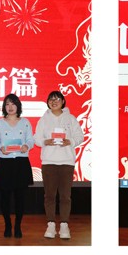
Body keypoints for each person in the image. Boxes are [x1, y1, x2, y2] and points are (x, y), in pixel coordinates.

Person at [35, 90, 83, 240]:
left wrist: (70, 141)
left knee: (65, 196)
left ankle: (64, 225)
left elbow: (80, 136)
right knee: (49, 196)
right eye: (51, 99)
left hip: (66, 162)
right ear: (48, 103)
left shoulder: (71, 118)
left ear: (63, 101)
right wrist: (45, 141)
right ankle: (50, 224)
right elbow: (36, 138)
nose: (53, 102)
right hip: (49, 161)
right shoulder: (43, 120)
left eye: (57, 99)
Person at [0, 93, 34, 238]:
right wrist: (0, 148)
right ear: (4, 107)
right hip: (5, 163)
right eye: (7, 104)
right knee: (5, 198)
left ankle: (18, 226)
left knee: (20, 198)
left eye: (13, 104)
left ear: (18, 106)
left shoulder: (25, 122)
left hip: (21, 163)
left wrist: (27, 146)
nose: (10, 107)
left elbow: (30, 140)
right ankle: (8, 225)